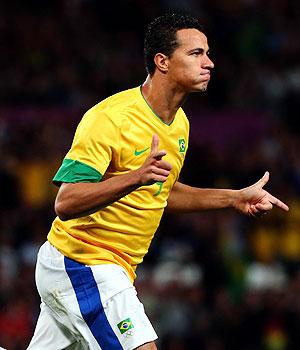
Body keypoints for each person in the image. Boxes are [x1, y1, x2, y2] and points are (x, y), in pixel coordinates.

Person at [27, 13, 289, 350]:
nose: (209, 63)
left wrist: (233, 198)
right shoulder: (110, 118)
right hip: (83, 261)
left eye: (208, 53)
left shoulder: (180, 124)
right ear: (162, 61)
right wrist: (136, 176)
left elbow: (161, 191)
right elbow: (66, 202)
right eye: (196, 54)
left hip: (104, 268)